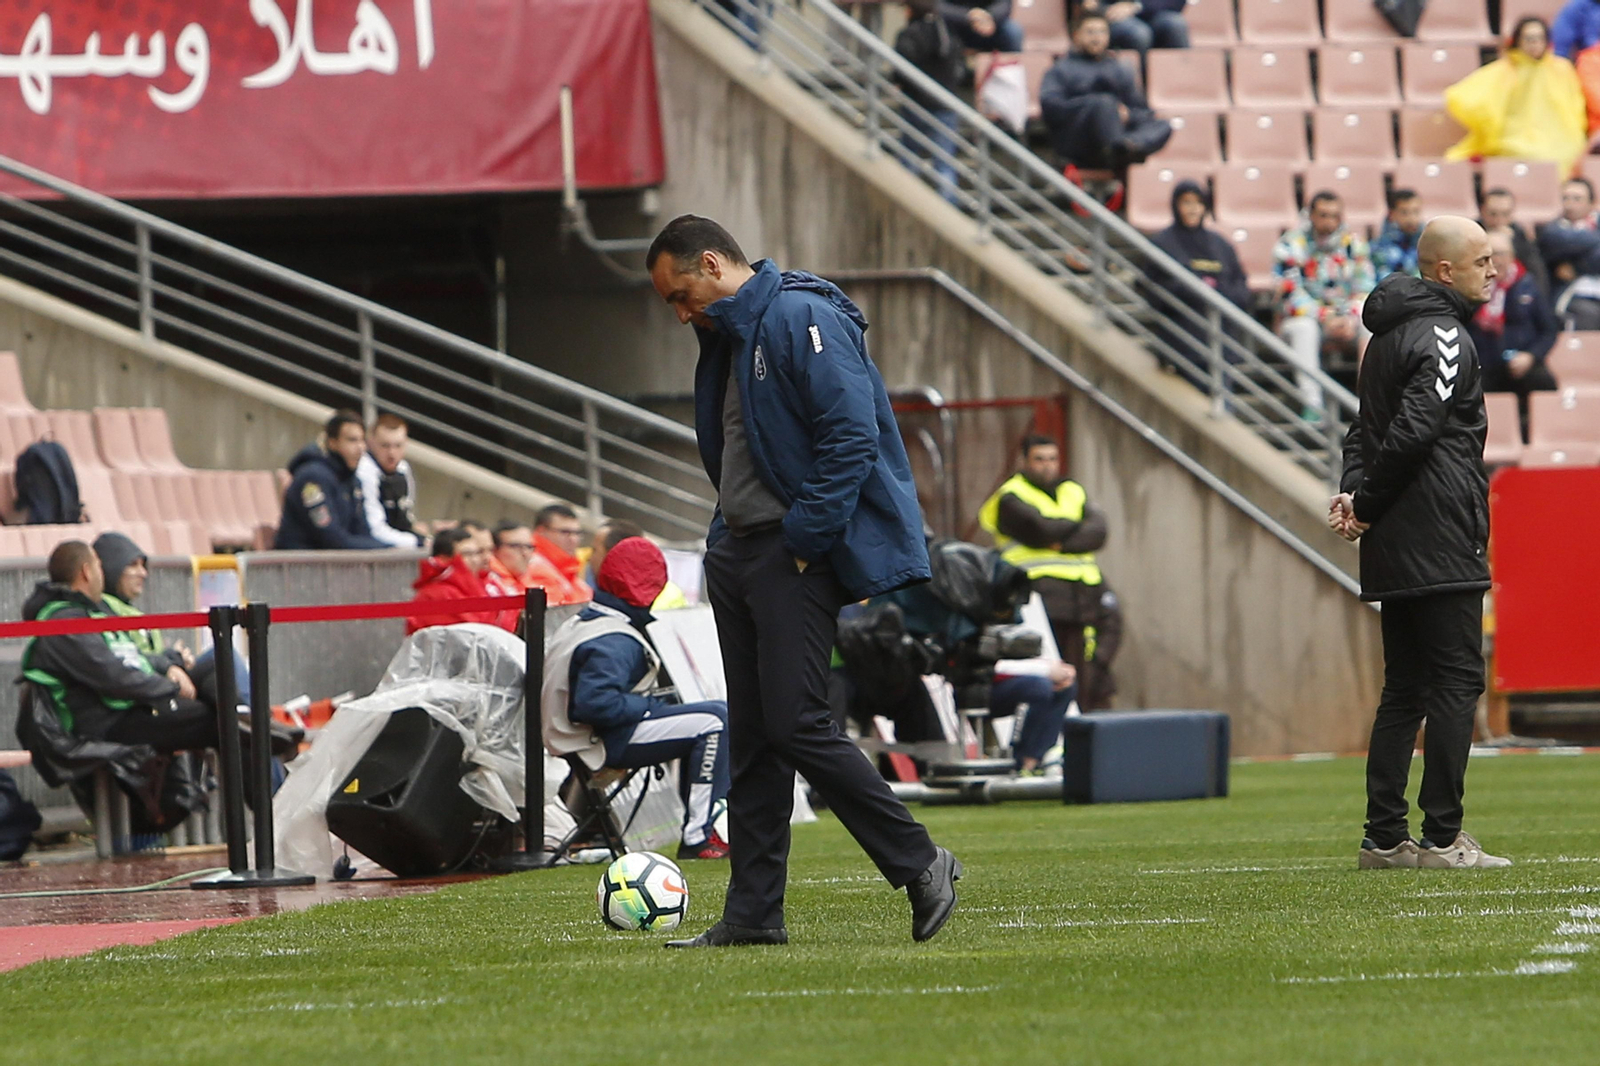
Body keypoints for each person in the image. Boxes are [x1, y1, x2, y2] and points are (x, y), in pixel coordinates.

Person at [646, 214, 957, 948]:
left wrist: (804, 540)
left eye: (681, 294)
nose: (682, 312)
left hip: (791, 556)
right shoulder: (730, 335)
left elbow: (852, 435)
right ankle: (754, 916)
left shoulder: (800, 315)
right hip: (741, 552)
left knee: (795, 724)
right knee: (754, 738)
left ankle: (921, 862)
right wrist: (726, 536)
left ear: (715, 264)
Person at [1330, 215, 1511, 871]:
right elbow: (1413, 432)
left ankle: (1383, 840)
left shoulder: (1382, 339)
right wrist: (1369, 504)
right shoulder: (1444, 335)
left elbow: (1362, 434)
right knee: (1459, 682)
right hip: (1437, 534)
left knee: (1403, 688)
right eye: (1484, 261)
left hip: (1393, 538)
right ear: (1445, 271)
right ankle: (1441, 839)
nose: (1494, 271)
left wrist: (1357, 501)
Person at [542, 536, 731, 861]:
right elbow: (595, 705)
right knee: (716, 720)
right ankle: (700, 835)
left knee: (712, 715)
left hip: (577, 736)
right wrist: (649, 706)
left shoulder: (591, 620)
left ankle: (702, 827)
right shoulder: (614, 637)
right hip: (595, 741)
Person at [20, 541, 216, 753]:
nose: (102, 574)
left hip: (130, 707)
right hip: (109, 724)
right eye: (98, 566)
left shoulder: (91, 612)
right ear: (86, 572)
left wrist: (169, 665)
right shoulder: (64, 623)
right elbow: (114, 676)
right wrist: (170, 689)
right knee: (217, 720)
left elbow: (131, 656)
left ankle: (250, 717)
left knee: (216, 669)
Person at [977, 435, 1120, 711]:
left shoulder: (1072, 490)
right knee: (1044, 676)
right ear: (1024, 461)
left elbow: (1098, 531)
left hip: (1079, 600)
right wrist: (1074, 528)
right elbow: (1039, 528)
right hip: (1036, 599)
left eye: (1052, 459)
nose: (1047, 466)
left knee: (1077, 679)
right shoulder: (1012, 495)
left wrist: (1058, 541)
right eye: (1039, 459)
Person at [92, 531, 248, 699]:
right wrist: (173, 660)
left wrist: (174, 658)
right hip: (148, 689)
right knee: (221, 659)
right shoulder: (103, 611)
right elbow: (127, 656)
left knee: (221, 665)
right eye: (133, 565)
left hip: (159, 676)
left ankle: (252, 716)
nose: (143, 573)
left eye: (143, 565)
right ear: (110, 568)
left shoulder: (124, 608)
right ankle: (256, 718)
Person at [1272, 191, 1377, 421]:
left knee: (1371, 324)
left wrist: (1347, 316)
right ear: (1311, 216)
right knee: (1303, 328)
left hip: (1345, 319)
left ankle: (1371, 404)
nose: (1329, 222)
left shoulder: (1354, 245)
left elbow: (1366, 287)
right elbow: (1289, 292)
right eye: (1323, 215)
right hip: (1306, 318)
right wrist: (1324, 316)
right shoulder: (1291, 243)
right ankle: (1313, 406)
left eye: (1334, 216)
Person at [1447, 18, 1588, 177]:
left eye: (1539, 38)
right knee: (1527, 153)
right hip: (1513, 137)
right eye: (1528, 39)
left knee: (1569, 152)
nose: (1534, 43)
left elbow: (1575, 107)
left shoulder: (1562, 68)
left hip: (1559, 135)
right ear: (1518, 41)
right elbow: (1466, 98)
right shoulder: (1505, 70)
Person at [1148, 180, 1251, 387]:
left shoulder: (1221, 244)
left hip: (1221, 338)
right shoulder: (1162, 243)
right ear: (1176, 205)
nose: (1193, 209)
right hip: (1182, 338)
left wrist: (1218, 291)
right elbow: (1156, 290)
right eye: (1186, 202)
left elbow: (1241, 287)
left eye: (1198, 203)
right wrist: (1197, 290)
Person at [1039, 13, 1172, 170]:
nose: (1097, 37)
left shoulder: (1119, 69)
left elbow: (1141, 111)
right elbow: (1051, 107)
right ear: (1076, 35)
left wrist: (1127, 114)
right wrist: (1095, 107)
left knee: (1162, 125)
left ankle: (1126, 146)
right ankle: (1120, 150)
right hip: (1079, 138)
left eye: (1102, 32)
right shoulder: (1061, 69)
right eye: (1090, 32)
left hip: (1120, 132)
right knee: (1104, 104)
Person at [1469, 228, 1560, 438]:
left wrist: (1530, 356)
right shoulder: (1471, 289)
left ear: (1511, 256)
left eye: (1501, 254)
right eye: (1490, 255)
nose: (1496, 260)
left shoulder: (1527, 285)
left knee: (1544, 382)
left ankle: (1542, 437)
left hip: (1522, 361)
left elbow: (1548, 330)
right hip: (1484, 364)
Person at [275, 411, 387, 551]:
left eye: (362, 440)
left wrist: (386, 548)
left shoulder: (353, 481)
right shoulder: (312, 479)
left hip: (333, 565)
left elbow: (363, 532)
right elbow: (331, 539)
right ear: (332, 443)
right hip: (299, 565)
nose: (360, 448)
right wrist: (385, 548)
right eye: (352, 440)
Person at [895, 0, 965, 205]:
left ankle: (905, 202)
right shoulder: (946, 32)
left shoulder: (909, 35)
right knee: (944, 165)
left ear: (909, 11)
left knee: (909, 157)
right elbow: (958, 68)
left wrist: (899, 83)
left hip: (916, 106)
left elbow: (901, 68)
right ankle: (949, 209)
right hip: (945, 106)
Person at [407, 527, 520, 635]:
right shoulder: (436, 594)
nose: (476, 560)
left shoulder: (487, 583)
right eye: (467, 554)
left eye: (476, 553)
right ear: (444, 559)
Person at [1537, 177, 1600, 328]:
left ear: (1591, 203)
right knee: (1588, 313)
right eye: (1566, 198)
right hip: (1574, 294)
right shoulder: (1552, 231)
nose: (1570, 204)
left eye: (1577, 199)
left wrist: (1576, 268)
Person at [588, 520, 689, 610]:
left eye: (594, 551)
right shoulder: (610, 594)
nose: (589, 558)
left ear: (614, 555)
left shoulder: (659, 601)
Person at [355, 414, 422, 549]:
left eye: (398, 446)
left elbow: (406, 514)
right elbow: (375, 529)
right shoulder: (364, 471)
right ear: (371, 443)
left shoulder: (403, 469)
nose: (392, 453)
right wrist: (416, 541)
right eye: (385, 446)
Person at [488, 520, 588, 606]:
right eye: (516, 546)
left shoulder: (530, 582)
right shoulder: (490, 584)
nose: (525, 553)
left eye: (529, 547)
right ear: (495, 550)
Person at [1479, 187, 1550, 298]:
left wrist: (1511, 244)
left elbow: (1536, 271)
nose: (1499, 220)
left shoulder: (1518, 234)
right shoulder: (1472, 232)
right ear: (1482, 211)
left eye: (1505, 214)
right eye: (1493, 214)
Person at [1078, 0, 1188, 55]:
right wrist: (1101, 9)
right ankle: (1140, 88)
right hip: (1112, 15)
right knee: (1139, 34)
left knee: (1175, 25)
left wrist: (1136, 6)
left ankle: (1185, 85)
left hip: (1152, 12)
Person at [533, 504, 593, 603]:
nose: (573, 539)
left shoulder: (569, 569)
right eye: (565, 532)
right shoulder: (530, 564)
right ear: (541, 531)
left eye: (577, 533)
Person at [1372, 188, 1424, 279]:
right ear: (1392, 214)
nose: (1411, 218)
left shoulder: (1427, 244)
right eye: (1404, 212)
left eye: (1416, 211)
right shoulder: (1380, 249)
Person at [936, 0, 1023, 52]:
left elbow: (1004, 4)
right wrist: (968, 16)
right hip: (954, 24)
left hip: (988, 24)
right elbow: (937, 5)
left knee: (1012, 32)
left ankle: (1009, 75)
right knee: (935, 30)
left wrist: (988, 16)